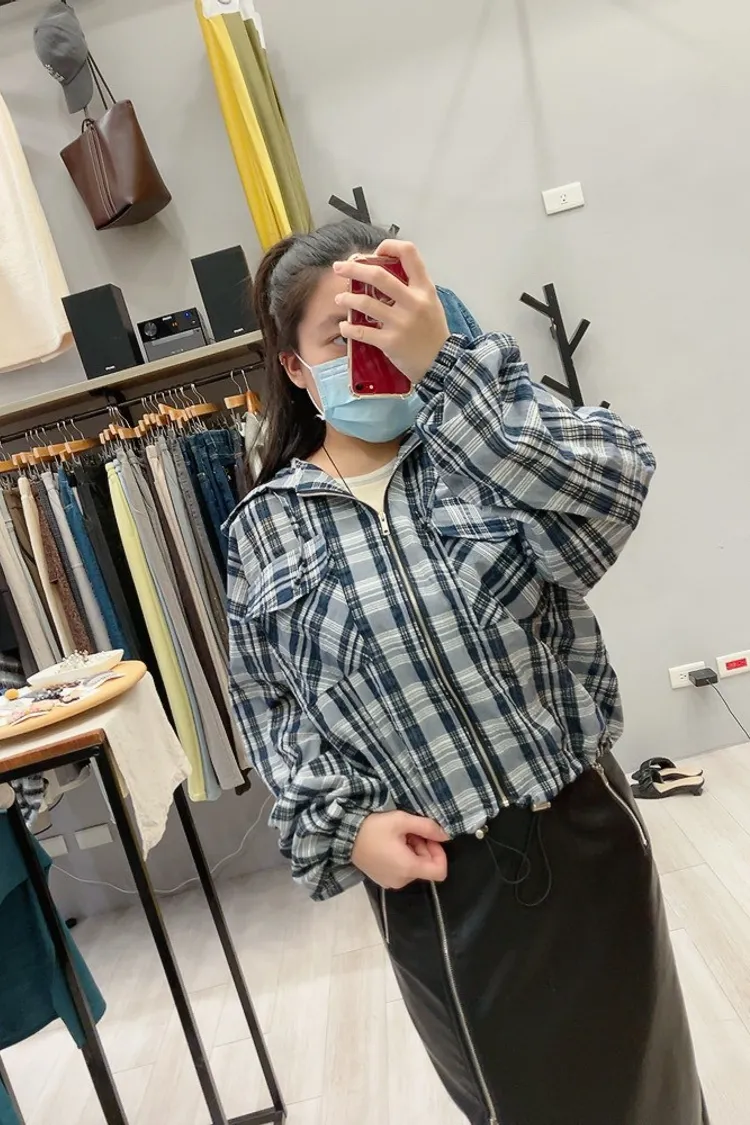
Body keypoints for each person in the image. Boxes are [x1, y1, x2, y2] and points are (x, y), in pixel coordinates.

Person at [227, 220, 707, 1125]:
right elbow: (270, 707)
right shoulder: (266, 528)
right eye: (339, 338)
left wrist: (449, 367)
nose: (368, 353)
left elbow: (617, 485)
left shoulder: (486, 452)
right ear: (293, 367)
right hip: (441, 884)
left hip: (586, 834)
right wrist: (348, 828)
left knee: (654, 1098)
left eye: (384, 321)